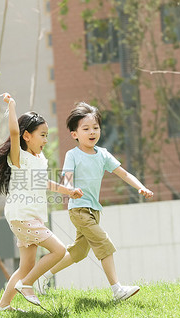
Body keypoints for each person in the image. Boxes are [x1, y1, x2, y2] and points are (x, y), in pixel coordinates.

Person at [37, 102, 154, 301]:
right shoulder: (72, 155)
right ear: (74, 134)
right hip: (79, 210)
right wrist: (71, 190)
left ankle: (43, 277)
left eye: (95, 128)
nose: (92, 132)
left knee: (80, 252)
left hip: (94, 211)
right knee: (103, 242)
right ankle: (117, 290)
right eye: (86, 129)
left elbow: (124, 173)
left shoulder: (103, 154)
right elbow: (65, 180)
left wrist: (140, 186)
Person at [0, 93, 83, 312]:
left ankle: (3, 306)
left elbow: (43, 182)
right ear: (26, 136)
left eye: (47, 135)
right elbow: (12, 132)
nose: (46, 140)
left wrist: (68, 190)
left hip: (30, 217)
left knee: (26, 265)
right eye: (43, 135)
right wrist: (12, 106)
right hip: (23, 216)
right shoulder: (18, 157)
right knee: (58, 251)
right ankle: (27, 285)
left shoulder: (39, 159)